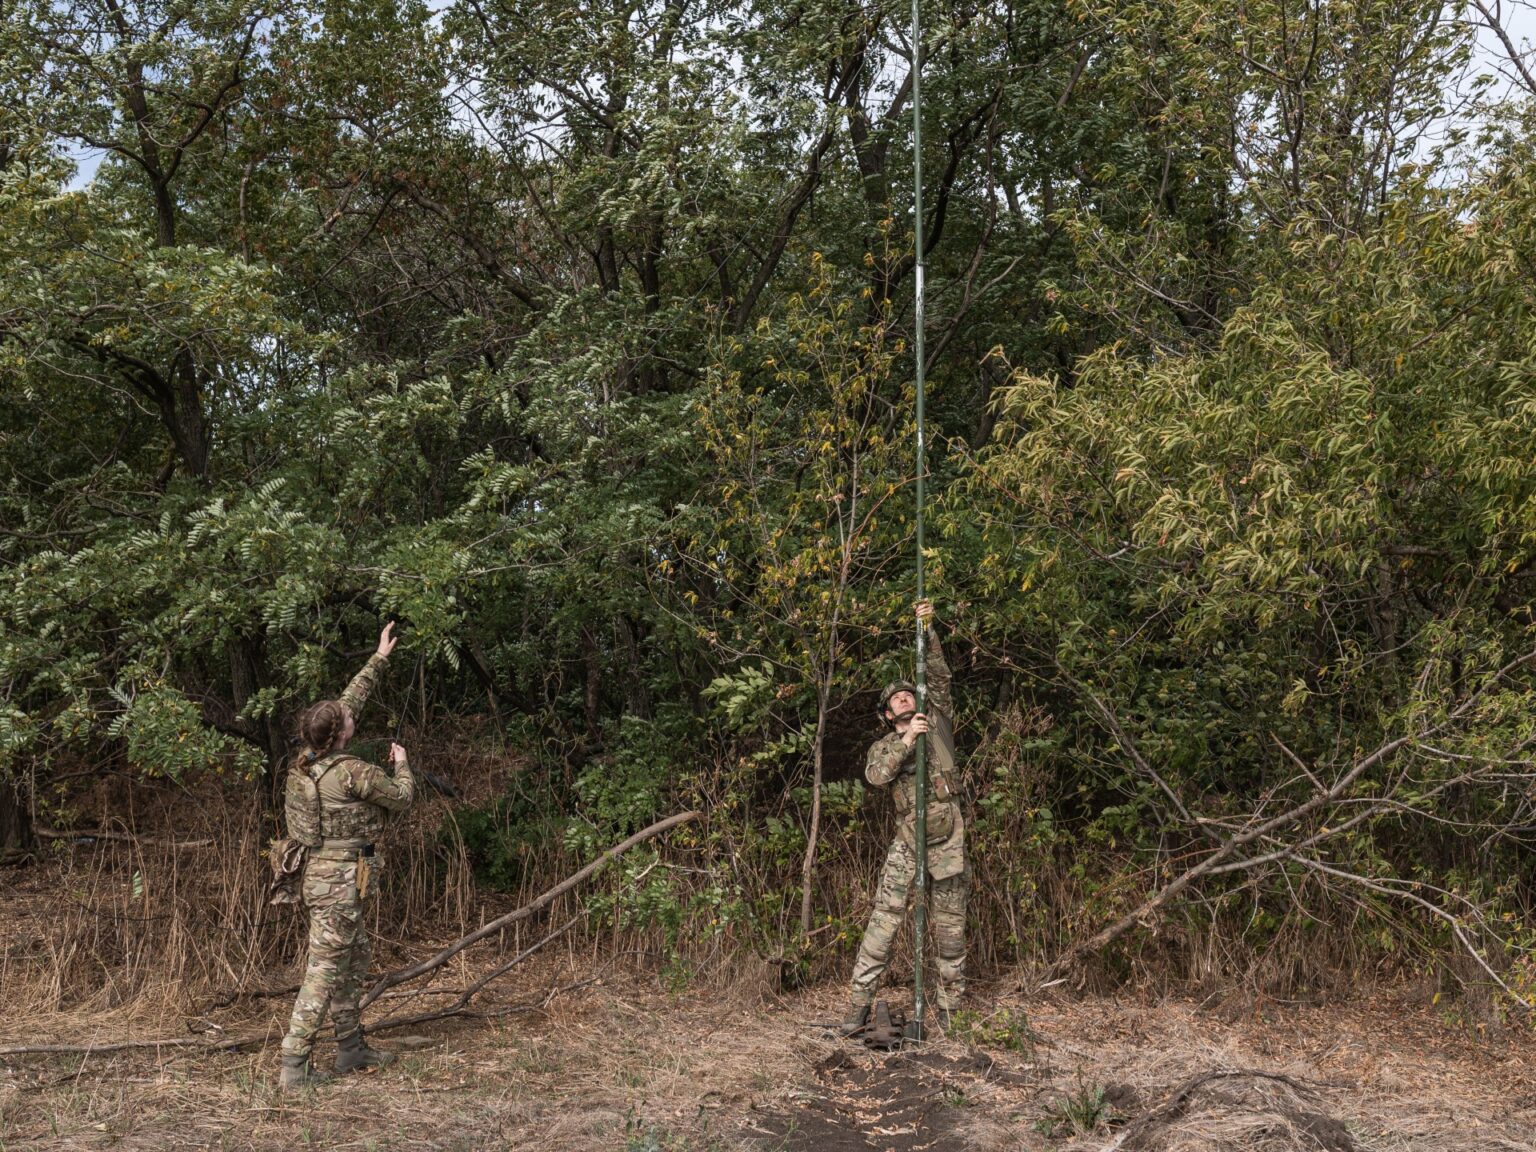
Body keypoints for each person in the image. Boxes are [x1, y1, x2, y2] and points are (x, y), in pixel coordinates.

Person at [279, 622, 415, 1090]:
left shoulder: (310, 758)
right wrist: (402, 764)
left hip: (328, 876)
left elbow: (347, 702)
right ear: (341, 734)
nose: (353, 715)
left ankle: (351, 1049)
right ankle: (293, 1066)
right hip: (338, 881)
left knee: (353, 960)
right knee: (324, 969)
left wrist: (378, 658)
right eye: (347, 718)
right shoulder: (353, 772)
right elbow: (400, 798)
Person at [840, 600, 969, 1037]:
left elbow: (939, 677)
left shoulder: (937, 725)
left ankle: (950, 1013)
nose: (904, 697)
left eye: (908, 694)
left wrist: (926, 629)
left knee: (950, 933)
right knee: (883, 923)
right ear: (888, 713)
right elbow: (876, 777)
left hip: (947, 839)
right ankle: (857, 1007)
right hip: (907, 841)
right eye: (896, 699)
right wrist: (904, 740)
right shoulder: (884, 746)